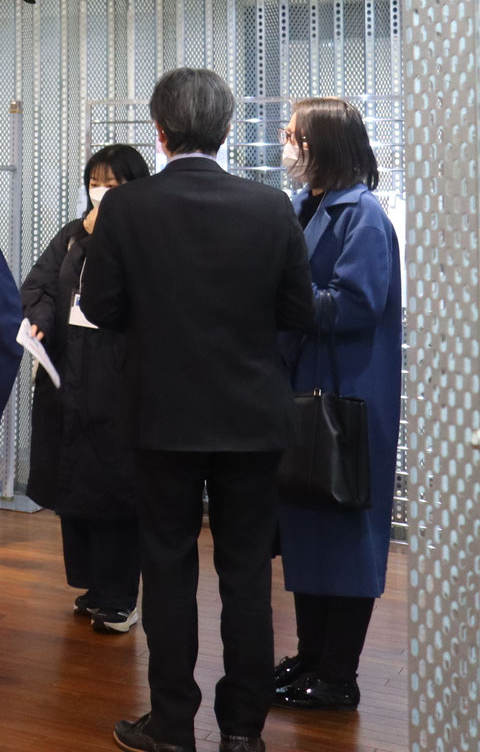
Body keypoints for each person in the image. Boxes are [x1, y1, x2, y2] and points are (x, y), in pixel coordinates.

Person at [80, 68, 314, 752]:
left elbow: (101, 308)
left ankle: (173, 725)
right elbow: (299, 311)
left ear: (159, 131)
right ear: (227, 129)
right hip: (253, 417)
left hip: (160, 416)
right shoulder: (271, 205)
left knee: (167, 568)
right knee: (246, 576)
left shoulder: (126, 208)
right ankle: (242, 731)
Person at [271, 97, 401, 714]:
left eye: (293, 135)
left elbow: (355, 305)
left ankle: (337, 677)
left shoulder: (363, 216)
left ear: (320, 144)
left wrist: (282, 292)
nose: (285, 144)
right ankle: (311, 656)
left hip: (348, 398)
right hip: (310, 392)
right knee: (309, 526)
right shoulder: (308, 205)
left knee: (346, 534)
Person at [21, 142, 151, 635]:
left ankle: (120, 597)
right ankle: (94, 587)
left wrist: (103, 238)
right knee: (72, 485)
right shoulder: (73, 234)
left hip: (114, 381)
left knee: (113, 490)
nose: (102, 192)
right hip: (66, 377)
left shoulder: (143, 239)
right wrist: (38, 319)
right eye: (96, 183)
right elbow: (38, 286)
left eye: (113, 184)